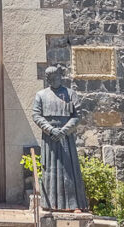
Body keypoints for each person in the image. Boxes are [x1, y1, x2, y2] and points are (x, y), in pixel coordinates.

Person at [32, 65, 89, 212]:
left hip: (66, 137)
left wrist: (64, 130)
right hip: (49, 137)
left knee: (69, 170)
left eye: (56, 77)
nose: (53, 80)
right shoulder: (41, 95)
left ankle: (74, 204)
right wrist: (50, 129)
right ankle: (50, 203)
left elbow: (77, 115)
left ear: (60, 77)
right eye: (50, 79)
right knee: (50, 170)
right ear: (47, 80)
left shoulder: (70, 94)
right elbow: (36, 115)